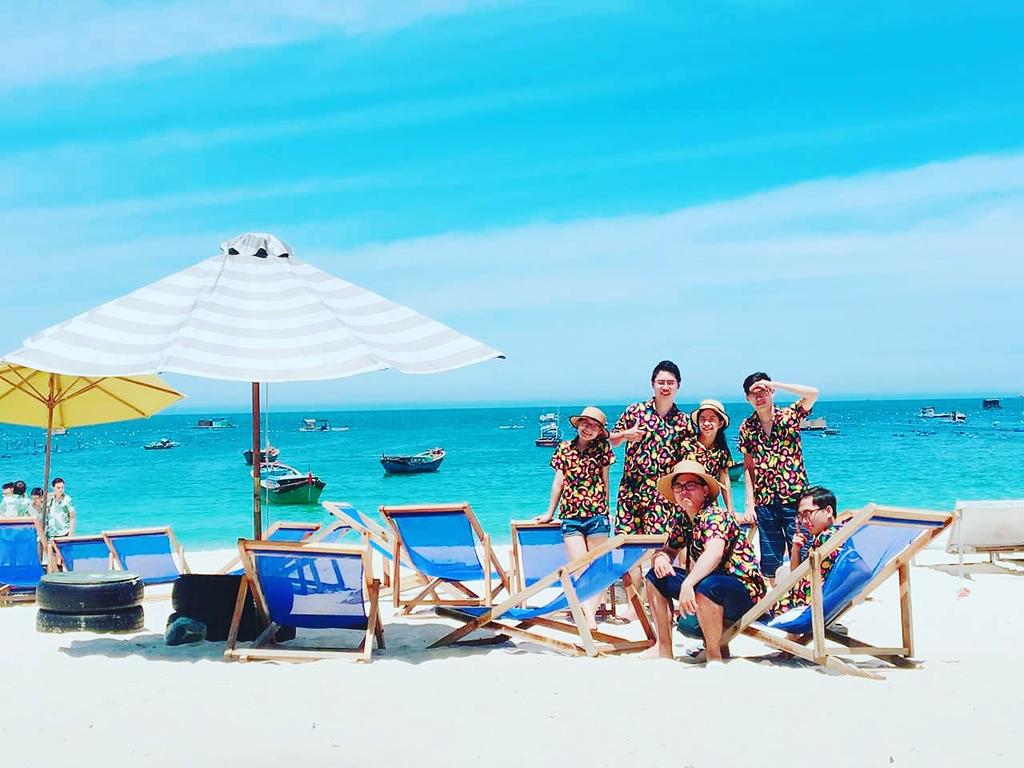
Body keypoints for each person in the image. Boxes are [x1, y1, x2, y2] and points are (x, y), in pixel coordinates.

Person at [645, 460, 766, 660]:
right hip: (708, 586)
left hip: (743, 590)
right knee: (655, 577)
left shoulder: (715, 515)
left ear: (705, 490)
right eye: (678, 486)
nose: (684, 491)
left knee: (707, 585)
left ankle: (714, 655)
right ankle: (664, 650)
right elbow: (669, 548)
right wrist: (661, 558)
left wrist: (688, 583)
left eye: (690, 485)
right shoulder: (683, 520)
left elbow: (714, 552)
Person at [609, 361, 696, 599]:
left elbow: (689, 460)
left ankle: (659, 601)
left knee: (663, 549)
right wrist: (626, 435)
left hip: (663, 496)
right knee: (629, 550)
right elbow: (611, 440)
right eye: (661, 382)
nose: (665, 387)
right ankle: (634, 607)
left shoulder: (683, 421)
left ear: (678, 386)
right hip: (631, 492)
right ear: (653, 384)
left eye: (670, 383)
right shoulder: (635, 411)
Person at [536, 406, 615, 629]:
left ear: (599, 431)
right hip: (570, 516)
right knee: (580, 567)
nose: (588, 429)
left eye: (594, 426)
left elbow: (605, 480)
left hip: (597, 515)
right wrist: (549, 513)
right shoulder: (564, 448)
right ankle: (589, 616)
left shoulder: (603, 448)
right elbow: (558, 483)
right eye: (585, 423)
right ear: (578, 424)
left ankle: (589, 617)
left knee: (597, 567)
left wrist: (606, 510)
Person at [738, 372, 819, 583]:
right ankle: (778, 598)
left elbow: (813, 393)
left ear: (771, 391)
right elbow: (748, 467)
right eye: (753, 393)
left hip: (796, 498)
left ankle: (804, 596)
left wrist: (774, 383)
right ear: (747, 398)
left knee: (803, 551)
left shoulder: (789, 416)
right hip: (765, 502)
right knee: (771, 561)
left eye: (763, 391)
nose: (759, 397)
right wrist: (749, 504)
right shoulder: (747, 427)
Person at [774, 486, 844, 614]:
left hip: (806, 607)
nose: (804, 521)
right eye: (800, 516)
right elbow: (798, 574)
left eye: (807, 513)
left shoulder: (827, 538)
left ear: (828, 511)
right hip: (818, 603)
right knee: (782, 573)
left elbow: (797, 577)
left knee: (780, 577)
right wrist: (796, 549)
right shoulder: (838, 534)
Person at [681, 399, 749, 525]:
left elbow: (724, 480)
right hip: (685, 504)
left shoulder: (721, 450)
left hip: (709, 508)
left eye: (711, 419)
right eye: (702, 419)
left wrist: (730, 511)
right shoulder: (686, 445)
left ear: (720, 423)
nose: (706, 423)